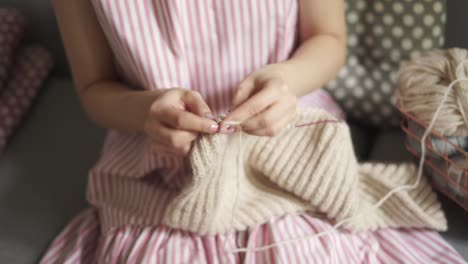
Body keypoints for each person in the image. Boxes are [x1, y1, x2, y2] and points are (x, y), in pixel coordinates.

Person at [41, 0, 465, 263]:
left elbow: (329, 39)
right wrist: (147, 110)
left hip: (286, 137)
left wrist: (285, 80)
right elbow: (95, 88)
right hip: (158, 158)